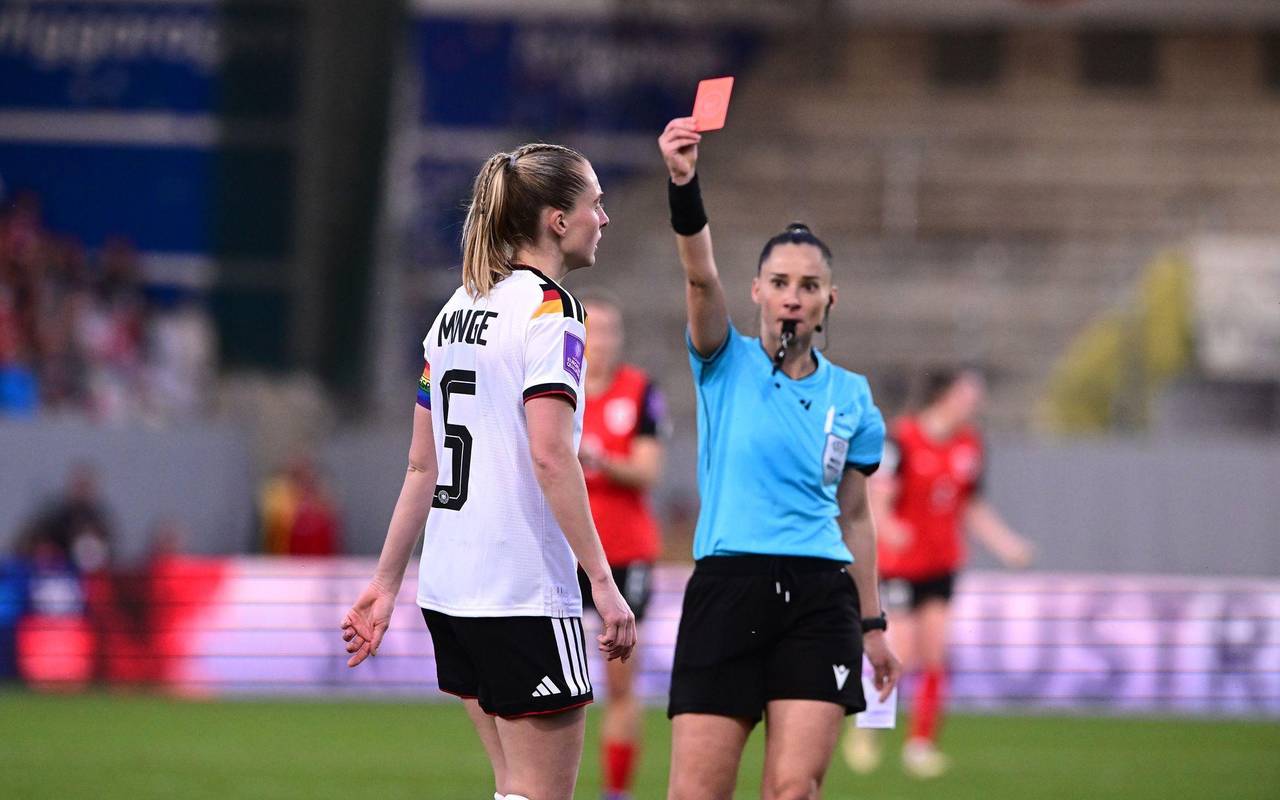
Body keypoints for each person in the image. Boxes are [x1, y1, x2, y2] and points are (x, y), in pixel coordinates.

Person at [341, 143, 637, 800]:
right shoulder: (551, 311)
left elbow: (422, 465)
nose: (605, 219)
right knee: (540, 793)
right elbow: (551, 454)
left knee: (511, 786)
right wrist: (602, 581)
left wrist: (386, 585)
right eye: (596, 204)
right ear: (558, 220)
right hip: (522, 590)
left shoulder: (452, 314)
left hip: (450, 589)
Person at [658, 117, 902, 800]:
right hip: (728, 588)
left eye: (809, 283)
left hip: (820, 599)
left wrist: (873, 624)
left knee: (794, 790)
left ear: (828, 301)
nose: (794, 294)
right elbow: (700, 280)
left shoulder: (853, 397)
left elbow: (855, 517)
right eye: (780, 281)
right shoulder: (722, 362)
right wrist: (684, 182)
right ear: (758, 291)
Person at [842, 367, 1034, 779]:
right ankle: (869, 726)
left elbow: (970, 505)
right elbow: (878, 495)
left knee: (936, 654)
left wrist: (1006, 544)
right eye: (968, 393)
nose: (974, 402)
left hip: (942, 564)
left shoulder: (970, 444)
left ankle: (920, 745)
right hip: (900, 568)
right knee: (902, 654)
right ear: (945, 396)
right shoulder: (903, 438)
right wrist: (890, 528)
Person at [574, 291, 667, 800]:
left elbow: (650, 471)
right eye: (594, 329)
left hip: (625, 553)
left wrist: (601, 461)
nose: (602, 341)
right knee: (549, 680)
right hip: (561, 552)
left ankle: (616, 791)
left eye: (611, 331)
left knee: (620, 682)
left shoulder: (640, 392)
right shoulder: (555, 388)